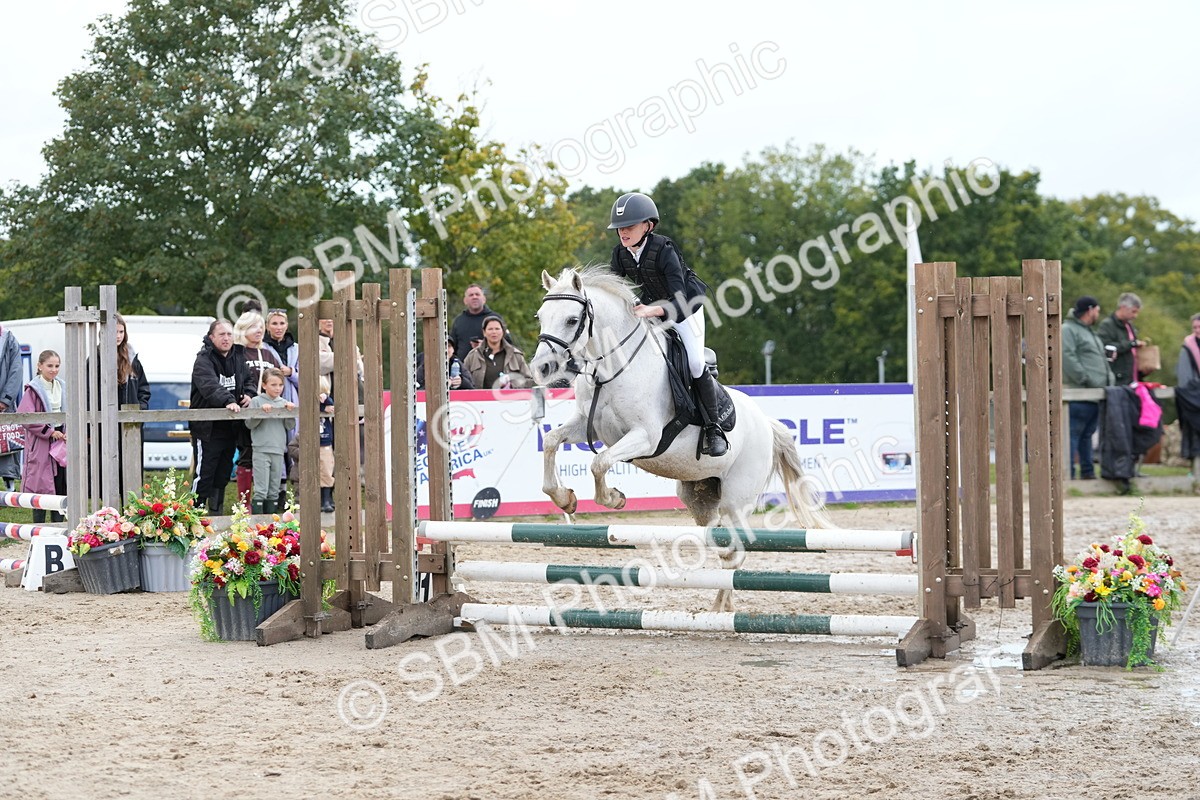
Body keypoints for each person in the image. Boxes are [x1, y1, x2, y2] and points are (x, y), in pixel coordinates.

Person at [606, 191, 728, 456]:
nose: (622, 233)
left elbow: (680, 299)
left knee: (695, 363)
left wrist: (651, 310)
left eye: (628, 227)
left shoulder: (664, 250)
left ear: (647, 226)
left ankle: (714, 428)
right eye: (619, 229)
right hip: (651, 310)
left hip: (685, 310)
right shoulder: (620, 253)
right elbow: (612, 290)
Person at [190, 320, 252, 515]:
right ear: (211, 337)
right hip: (207, 429)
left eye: (229, 334)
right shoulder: (203, 360)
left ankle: (216, 515)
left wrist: (249, 394)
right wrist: (227, 400)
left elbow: (248, 380)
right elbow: (209, 386)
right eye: (222, 334)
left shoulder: (239, 357)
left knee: (223, 474)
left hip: (230, 428)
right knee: (204, 474)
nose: (226, 338)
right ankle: (194, 515)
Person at [232, 310, 282, 505]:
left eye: (261, 326)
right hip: (246, 410)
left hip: (268, 414)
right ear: (243, 329)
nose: (259, 330)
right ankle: (244, 505)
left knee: (267, 458)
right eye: (253, 326)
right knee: (246, 454)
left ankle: (266, 503)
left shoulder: (268, 353)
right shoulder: (237, 352)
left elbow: (279, 379)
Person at [1062, 296, 1114, 479]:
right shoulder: (1068, 330)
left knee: (1087, 435)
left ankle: (1087, 472)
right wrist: (1085, 378)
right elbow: (1067, 356)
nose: (1098, 315)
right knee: (1072, 435)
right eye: (1097, 311)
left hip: (1094, 395)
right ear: (1090, 309)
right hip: (1079, 393)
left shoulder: (1089, 332)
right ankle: (1068, 474)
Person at [18, 351, 67, 523]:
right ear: (39, 366)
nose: (54, 370)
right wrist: (49, 431)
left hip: (61, 439)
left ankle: (58, 528)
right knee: (40, 485)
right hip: (41, 441)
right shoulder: (32, 390)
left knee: (60, 485)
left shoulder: (62, 385)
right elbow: (26, 416)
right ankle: (38, 529)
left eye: (57, 366)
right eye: (50, 366)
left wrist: (66, 430)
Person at [245, 369, 294, 515]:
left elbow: (289, 426)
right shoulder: (256, 401)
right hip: (261, 449)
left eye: (280, 385)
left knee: (274, 489)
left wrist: (289, 412)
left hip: (278, 450)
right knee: (261, 489)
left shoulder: (284, 403)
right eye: (273, 385)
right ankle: (257, 522)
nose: (277, 388)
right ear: (264, 385)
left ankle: (271, 525)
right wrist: (261, 413)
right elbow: (249, 424)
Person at [463, 315, 533, 390]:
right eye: (490, 329)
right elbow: (464, 380)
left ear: (502, 331)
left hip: (510, 400)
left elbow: (529, 381)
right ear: (484, 332)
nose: (494, 332)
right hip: (480, 400)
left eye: (497, 329)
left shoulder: (515, 355)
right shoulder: (473, 356)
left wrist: (512, 384)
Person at [1097, 292, 1148, 386]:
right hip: (1117, 380)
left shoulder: (1130, 326)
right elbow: (1105, 347)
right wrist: (1131, 344)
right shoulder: (1107, 325)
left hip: (1132, 379)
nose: (1135, 316)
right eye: (1133, 311)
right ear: (1123, 307)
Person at [450, 284, 506, 362]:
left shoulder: (495, 319)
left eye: (477, 294)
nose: (474, 297)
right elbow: (451, 348)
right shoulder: (459, 321)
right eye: (471, 295)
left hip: (491, 367)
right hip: (463, 369)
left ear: (484, 299)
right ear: (465, 301)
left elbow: (508, 345)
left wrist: (486, 345)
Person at [1174, 313, 1200, 463]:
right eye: (1194, 327)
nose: (1197, 330)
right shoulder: (1187, 348)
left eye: (1199, 327)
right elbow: (1184, 380)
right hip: (1193, 398)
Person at [0, 324, 23, 490]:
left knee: (7, 445)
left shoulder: (8, 338)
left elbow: (16, 370)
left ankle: (10, 488)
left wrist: (5, 400)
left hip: (4, 405)